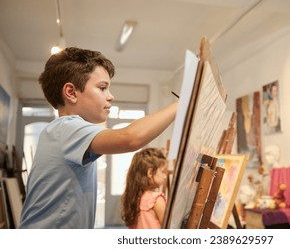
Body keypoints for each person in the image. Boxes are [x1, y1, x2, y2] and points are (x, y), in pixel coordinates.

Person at [19, 47, 178, 229]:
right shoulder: (66, 128)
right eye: (102, 88)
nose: (111, 96)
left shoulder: (62, 131)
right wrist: (182, 104)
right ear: (71, 92)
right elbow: (130, 138)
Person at [121, 148, 167, 229]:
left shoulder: (133, 198)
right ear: (150, 173)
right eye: (163, 171)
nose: (165, 176)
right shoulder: (156, 200)